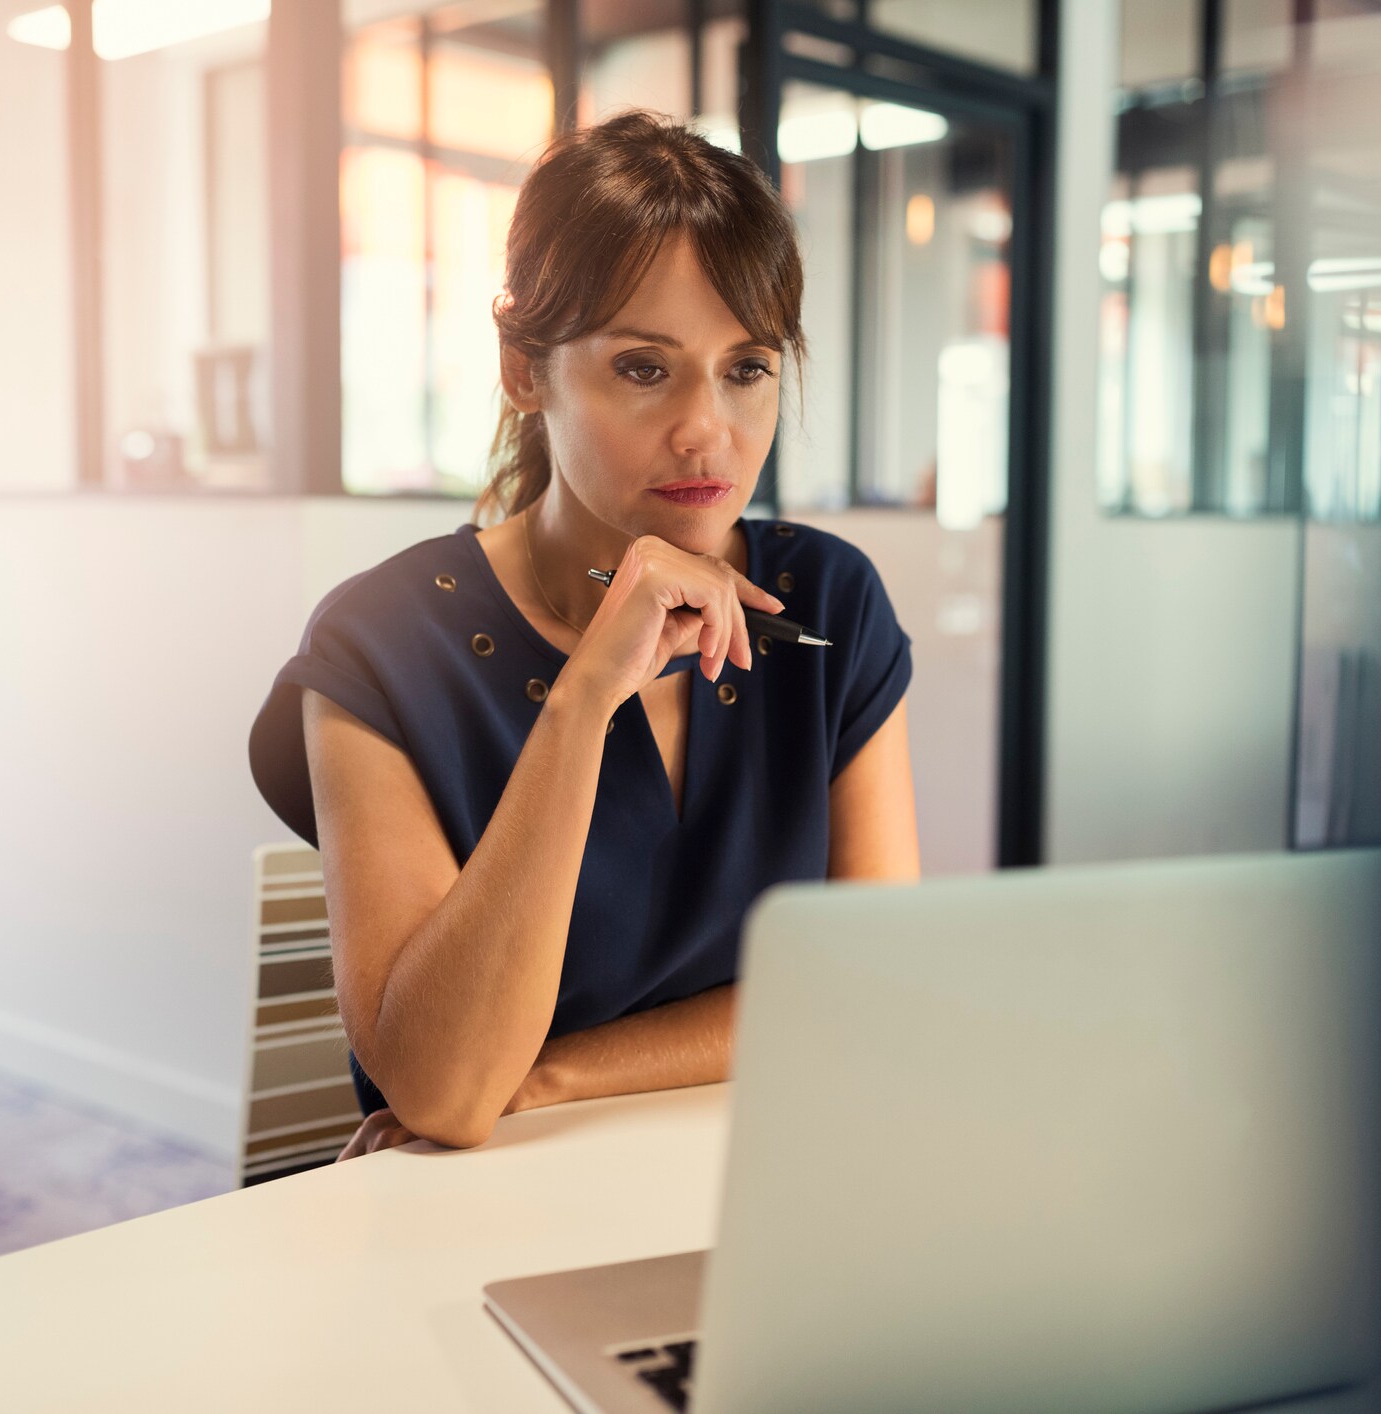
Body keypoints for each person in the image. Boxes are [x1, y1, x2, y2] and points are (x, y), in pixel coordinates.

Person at [248, 109, 920, 1156]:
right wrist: (580, 699)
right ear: (525, 368)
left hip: (755, 1185)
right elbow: (441, 1089)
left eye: (746, 368)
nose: (708, 431)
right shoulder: (382, 646)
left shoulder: (824, 606)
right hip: (466, 1234)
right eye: (644, 369)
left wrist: (557, 1074)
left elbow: (872, 989)